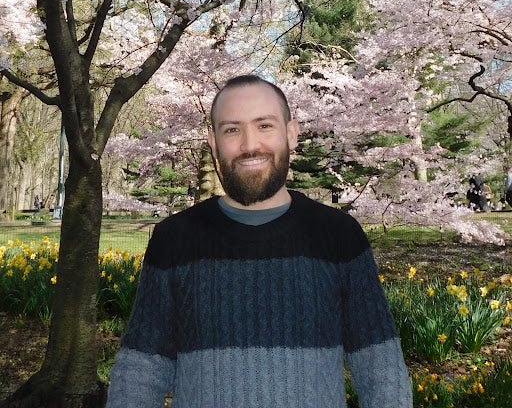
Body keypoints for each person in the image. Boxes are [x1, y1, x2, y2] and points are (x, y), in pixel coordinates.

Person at [106, 75, 412, 408]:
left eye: (264, 126)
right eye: (232, 130)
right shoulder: (174, 240)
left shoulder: (339, 236)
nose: (250, 144)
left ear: (291, 134)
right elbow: (139, 374)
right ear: (213, 142)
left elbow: (382, 373)